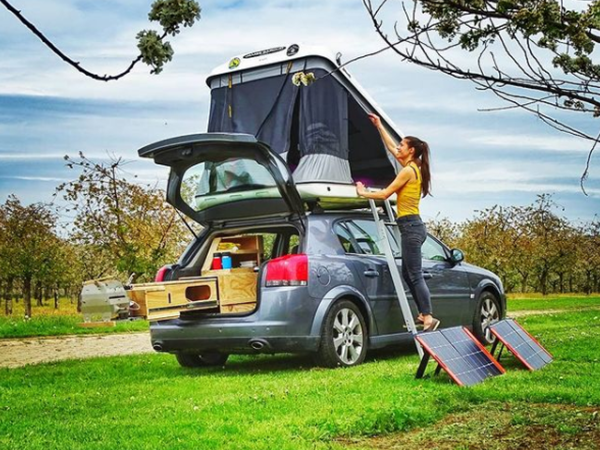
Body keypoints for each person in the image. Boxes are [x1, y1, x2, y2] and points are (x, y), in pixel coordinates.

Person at [356, 113, 439, 332]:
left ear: (411, 150)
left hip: (411, 226)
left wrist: (363, 192)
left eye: (403, 145)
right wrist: (379, 126)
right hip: (411, 226)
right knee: (407, 273)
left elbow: (385, 195)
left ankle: (428, 317)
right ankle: (423, 313)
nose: (399, 147)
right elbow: (392, 149)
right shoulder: (414, 167)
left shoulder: (407, 172)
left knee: (414, 273)